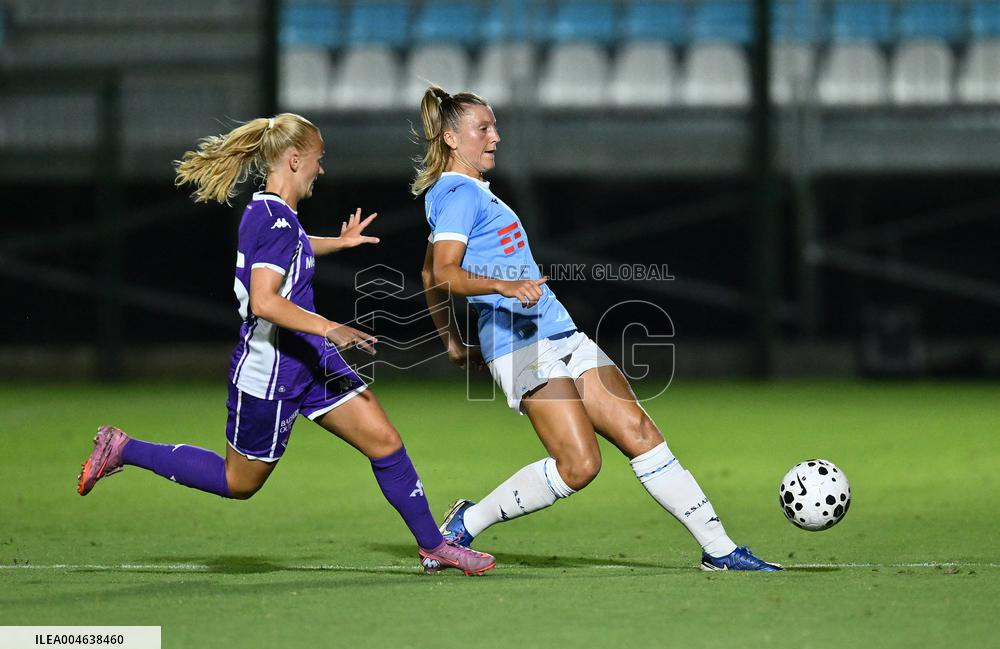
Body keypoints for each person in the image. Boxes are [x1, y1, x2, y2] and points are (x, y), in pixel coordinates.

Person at [77, 112, 495, 576]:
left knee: (384, 440)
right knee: (239, 482)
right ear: (295, 160)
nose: (322, 169)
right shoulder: (275, 220)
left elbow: (291, 245)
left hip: (307, 362)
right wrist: (328, 327)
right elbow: (264, 301)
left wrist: (336, 243)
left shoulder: (270, 212)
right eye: (319, 159)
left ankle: (434, 545)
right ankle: (124, 447)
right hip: (272, 371)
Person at [412, 87, 781, 571]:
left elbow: (426, 272)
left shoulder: (472, 193)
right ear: (451, 137)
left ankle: (721, 549)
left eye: (494, 126)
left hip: (560, 331)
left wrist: (453, 343)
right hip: (518, 344)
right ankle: (467, 523)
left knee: (641, 432)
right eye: (484, 128)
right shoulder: (456, 192)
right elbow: (443, 273)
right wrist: (503, 288)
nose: (496, 137)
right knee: (580, 466)